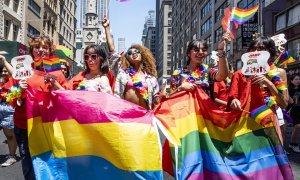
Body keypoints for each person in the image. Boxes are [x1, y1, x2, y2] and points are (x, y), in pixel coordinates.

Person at [0, 35, 67, 180]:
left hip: (48, 125)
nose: (41, 50)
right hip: (25, 125)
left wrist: (55, 84)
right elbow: (11, 97)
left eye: (44, 47)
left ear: (50, 50)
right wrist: (20, 89)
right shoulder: (23, 69)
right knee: (28, 161)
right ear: (32, 50)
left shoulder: (57, 72)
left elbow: (66, 97)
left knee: (48, 161)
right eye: (37, 47)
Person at [228, 36, 289, 143]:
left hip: (268, 122)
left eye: (261, 48)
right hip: (245, 122)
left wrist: (269, 83)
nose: (256, 52)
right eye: (253, 48)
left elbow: (284, 104)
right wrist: (234, 101)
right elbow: (232, 99)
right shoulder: (239, 74)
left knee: (270, 156)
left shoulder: (279, 72)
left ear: (269, 52)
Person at [102, 17, 160, 110]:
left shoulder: (151, 78)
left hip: (145, 117)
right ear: (127, 58)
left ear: (142, 55)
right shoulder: (123, 72)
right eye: (130, 53)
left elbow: (156, 100)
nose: (133, 54)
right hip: (126, 116)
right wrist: (107, 28)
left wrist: (166, 95)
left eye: (136, 51)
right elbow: (112, 51)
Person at [0, 67, 17, 167]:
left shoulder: (15, 83)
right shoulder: (1, 82)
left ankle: (12, 156)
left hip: (9, 109)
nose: (4, 73)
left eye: (6, 71)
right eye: (2, 71)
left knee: (9, 135)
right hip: (1, 107)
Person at [287, 75, 300, 153]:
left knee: (297, 127)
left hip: (299, 109)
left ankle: (293, 143)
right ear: (291, 81)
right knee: (298, 126)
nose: (298, 81)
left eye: (299, 79)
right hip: (292, 110)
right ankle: (294, 144)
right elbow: (290, 101)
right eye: (296, 79)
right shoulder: (288, 90)